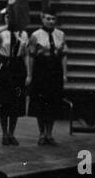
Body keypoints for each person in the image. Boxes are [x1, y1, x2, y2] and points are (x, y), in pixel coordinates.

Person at [28, 10, 67, 146]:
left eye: (53, 19)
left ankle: (50, 134)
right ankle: (41, 133)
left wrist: (64, 73)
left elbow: (63, 55)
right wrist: (30, 74)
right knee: (40, 102)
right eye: (48, 19)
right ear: (42, 19)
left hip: (55, 69)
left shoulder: (60, 34)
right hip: (41, 69)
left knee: (53, 102)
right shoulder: (35, 35)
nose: (51, 21)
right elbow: (31, 56)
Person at [0, 8, 27, 146]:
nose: (10, 19)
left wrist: (28, 73)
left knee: (15, 103)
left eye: (13, 17)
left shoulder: (23, 33)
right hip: (5, 66)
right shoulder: (1, 33)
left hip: (18, 66)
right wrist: (8, 26)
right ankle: (4, 133)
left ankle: (12, 133)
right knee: (4, 102)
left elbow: (25, 54)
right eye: (7, 17)